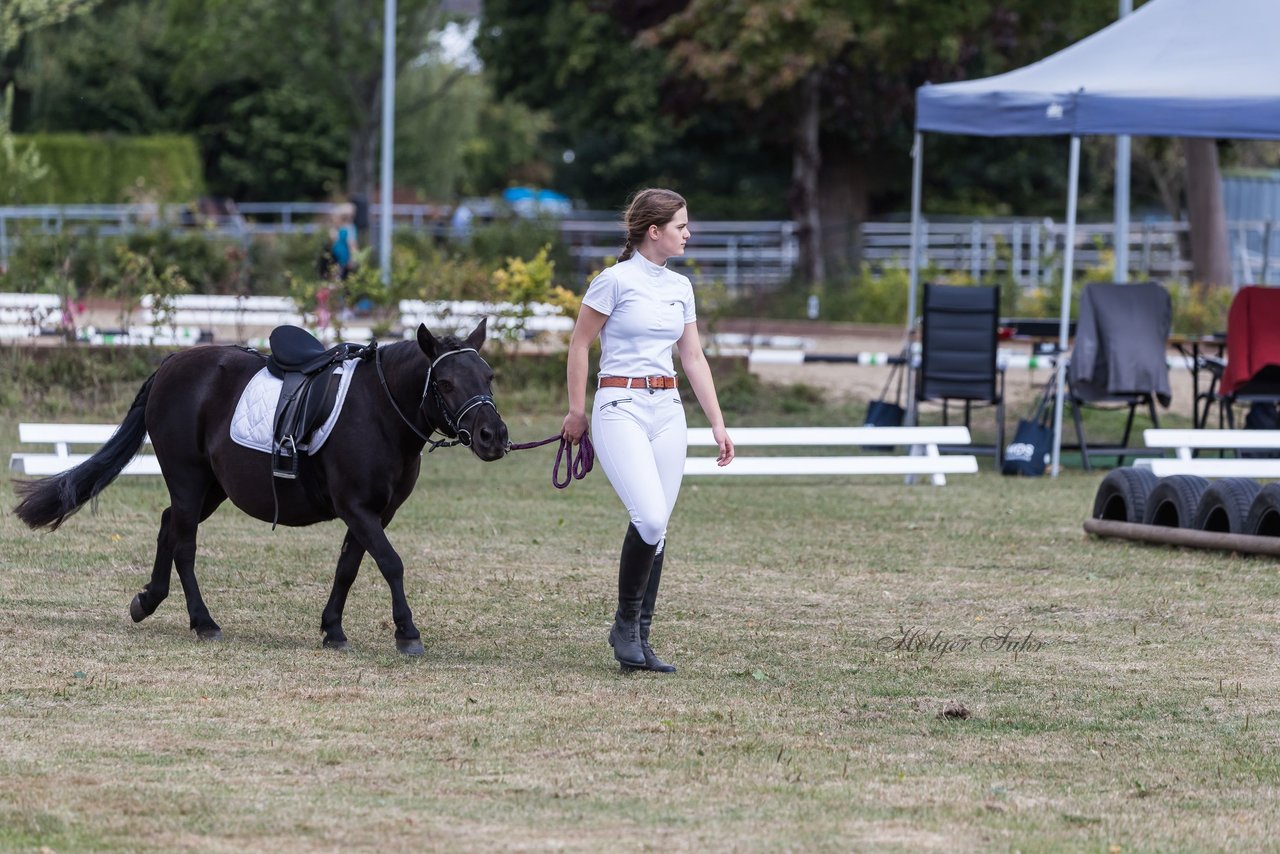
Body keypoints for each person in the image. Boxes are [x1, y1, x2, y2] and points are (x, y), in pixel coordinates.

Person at [561, 188, 734, 673]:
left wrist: (718, 424)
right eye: (681, 226)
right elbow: (579, 346)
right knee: (651, 518)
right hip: (620, 405)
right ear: (654, 231)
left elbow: (693, 358)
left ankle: (638, 637)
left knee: (656, 528)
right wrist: (577, 411)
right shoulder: (612, 281)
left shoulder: (680, 288)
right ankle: (624, 626)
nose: (688, 233)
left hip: (668, 409)